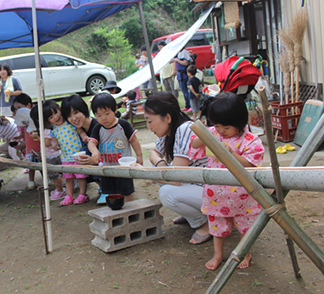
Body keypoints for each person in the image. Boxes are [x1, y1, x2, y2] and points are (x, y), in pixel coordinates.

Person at [189, 92, 264, 270]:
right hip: (216, 194)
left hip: (242, 195)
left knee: (245, 227)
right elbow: (194, 145)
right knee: (217, 227)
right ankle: (218, 255)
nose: (221, 130)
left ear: (240, 123)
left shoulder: (250, 140)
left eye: (226, 127)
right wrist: (204, 134)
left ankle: (245, 252)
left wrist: (231, 153)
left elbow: (252, 163)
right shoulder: (213, 133)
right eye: (217, 125)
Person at [143, 92, 209, 244]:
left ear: (167, 117)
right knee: (161, 173)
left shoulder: (184, 129)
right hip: (195, 185)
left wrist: (152, 172)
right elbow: (154, 153)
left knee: (167, 193)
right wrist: (160, 164)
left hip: (210, 188)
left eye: (150, 121)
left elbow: (177, 179)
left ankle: (205, 223)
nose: (148, 127)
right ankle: (193, 215)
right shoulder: (169, 131)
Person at [88, 93, 143, 202]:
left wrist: (139, 155)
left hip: (123, 168)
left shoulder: (123, 125)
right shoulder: (97, 128)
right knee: (111, 194)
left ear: (115, 110)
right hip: (106, 168)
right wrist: (94, 151)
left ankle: (130, 211)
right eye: (98, 115)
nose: (103, 118)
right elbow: (92, 143)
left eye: (107, 113)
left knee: (126, 193)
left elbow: (134, 140)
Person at [41, 100, 89, 206]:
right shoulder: (54, 129)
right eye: (51, 117)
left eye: (56, 112)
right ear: (48, 121)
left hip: (78, 155)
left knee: (81, 177)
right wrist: (55, 146)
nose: (55, 117)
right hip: (66, 158)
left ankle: (83, 195)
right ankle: (69, 196)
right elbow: (55, 142)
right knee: (68, 178)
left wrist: (84, 137)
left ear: (60, 109)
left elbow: (80, 131)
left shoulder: (69, 122)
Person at [60, 94, 106, 204]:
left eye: (76, 113)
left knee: (88, 153)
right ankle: (102, 186)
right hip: (97, 163)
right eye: (69, 116)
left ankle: (107, 189)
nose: (73, 118)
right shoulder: (78, 131)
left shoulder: (98, 126)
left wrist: (94, 159)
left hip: (108, 161)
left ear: (83, 109)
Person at [29, 106, 66, 201]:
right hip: (54, 154)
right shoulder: (49, 129)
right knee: (57, 174)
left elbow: (47, 143)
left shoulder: (47, 130)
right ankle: (60, 189)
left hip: (52, 156)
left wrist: (37, 137)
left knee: (54, 175)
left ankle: (60, 191)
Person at [12, 93, 41, 189]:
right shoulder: (23, 120)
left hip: (37, 146)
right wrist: (20, 137)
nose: (17, 111)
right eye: (16, 109)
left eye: (19, 107)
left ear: (28, 105)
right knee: (30, 164)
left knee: (40, 163)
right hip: (29, 147)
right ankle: (31, 181)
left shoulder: (36, 117)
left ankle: (46, 178)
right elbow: (26, 132)